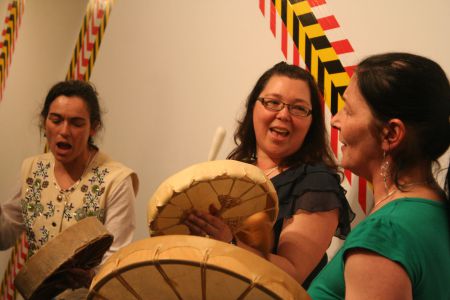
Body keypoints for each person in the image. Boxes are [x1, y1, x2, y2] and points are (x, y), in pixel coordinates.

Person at [185, 62, 355, 288]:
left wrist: (230, 242)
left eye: (298, 108)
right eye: (273, 102)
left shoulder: (316, 183)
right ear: (253, 107)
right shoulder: (234, 170)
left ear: (311, 122)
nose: (284, 114)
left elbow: (292, 274)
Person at [308, 52, 450, 299]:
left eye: (349, 111)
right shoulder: (435, 209)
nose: (336, 121)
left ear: (391, 134)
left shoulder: (384, 235)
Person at [0, 80, 139, 291]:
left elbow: (117, 259)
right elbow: (4, 234)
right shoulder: (32, 169)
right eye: (56, 120)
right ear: (44, 122)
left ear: (94, 127)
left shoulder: (116, 180)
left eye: (76, 123)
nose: (64, 131)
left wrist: (90, 276)